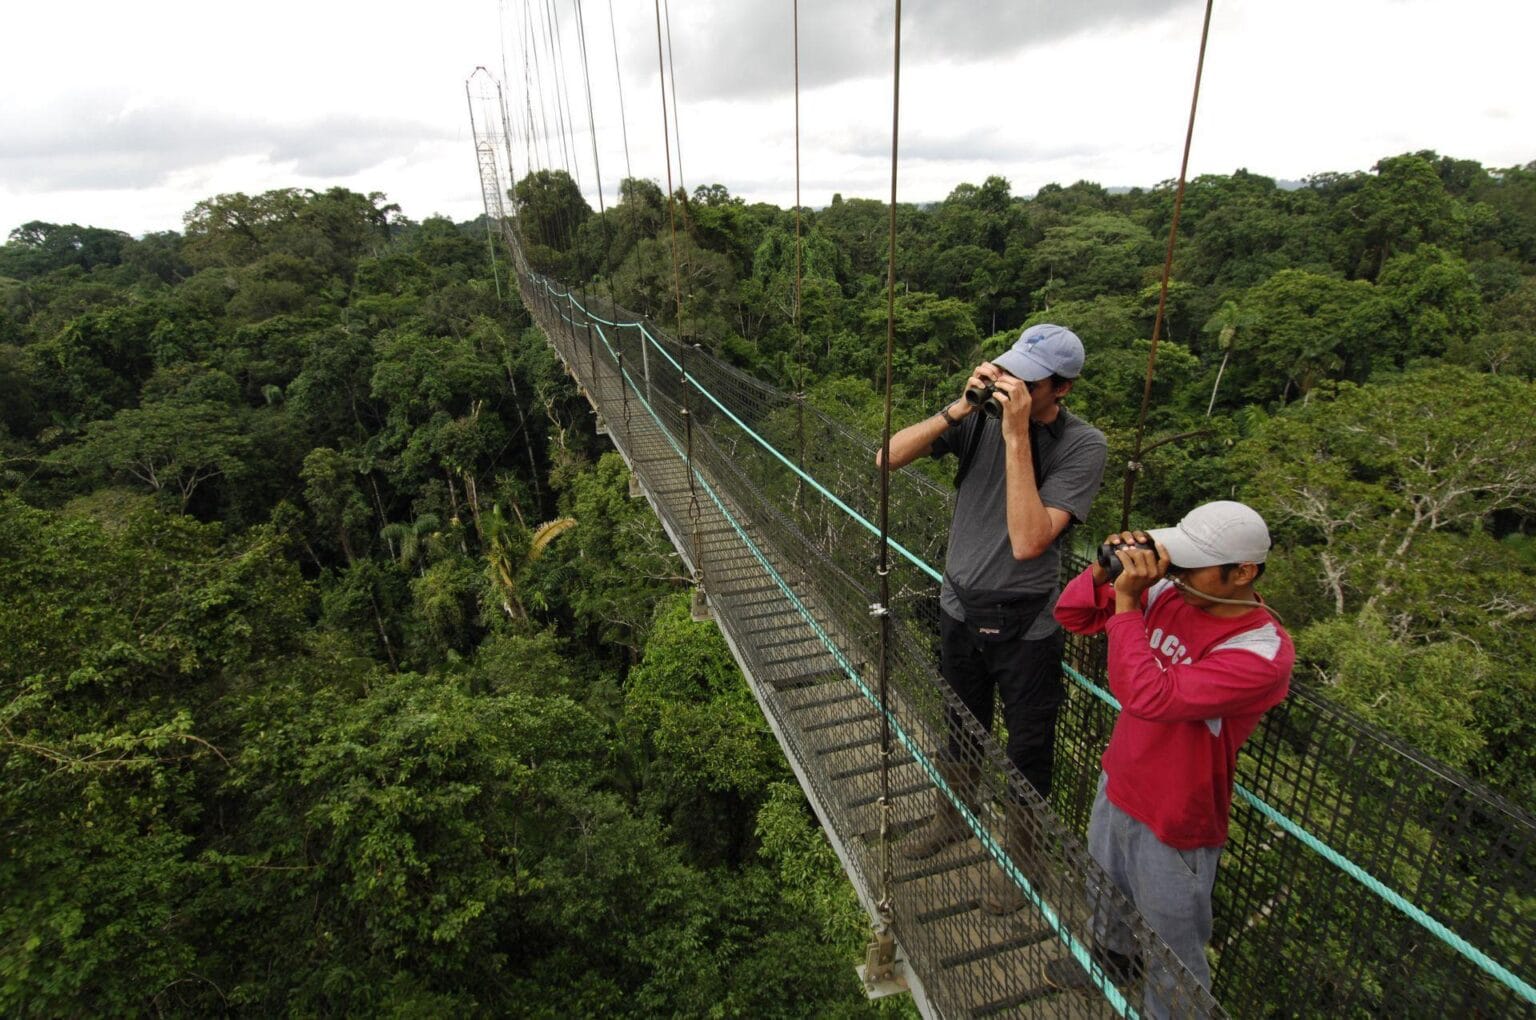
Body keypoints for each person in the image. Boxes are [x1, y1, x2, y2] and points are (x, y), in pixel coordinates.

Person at [876, 324, 1107, 914]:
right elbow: (888, 458)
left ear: (1062, 389)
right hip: (958, 605)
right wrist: (959, 410)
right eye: (1009, 372)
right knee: (958, 725)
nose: (1012, 386)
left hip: (1026, 625)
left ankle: (1024, 867)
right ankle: (950, 818)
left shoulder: (1082, 446)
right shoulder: (978, 419)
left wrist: (1015, 435)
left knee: (1028, 753)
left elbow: (1030, 540)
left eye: (1027, 381)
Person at [1044, 501, 1294, 1016]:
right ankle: (1112, 962)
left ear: (1243, 572)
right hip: (1121, 782)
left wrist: (1129, 606)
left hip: (1177, 819)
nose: (1174, 572)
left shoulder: (1260, 652)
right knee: (1104, 888)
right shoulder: (1169, 592)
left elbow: (1149, 696)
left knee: (1172, 942)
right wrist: (1102, 573)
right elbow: (1071, 614)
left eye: (1190, 563)